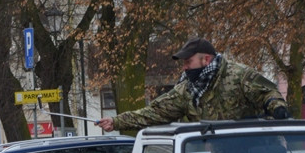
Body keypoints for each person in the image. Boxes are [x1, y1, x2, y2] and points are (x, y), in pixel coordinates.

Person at [96, 37, 288, 134]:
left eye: (188, 62)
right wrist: (116, 122)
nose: (185, 68)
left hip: (259, 152)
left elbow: (267, 93)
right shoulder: (186, 90)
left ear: (206, 59)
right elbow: (154, 112)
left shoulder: (239, 76)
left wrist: (277, 107)